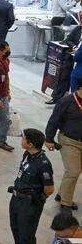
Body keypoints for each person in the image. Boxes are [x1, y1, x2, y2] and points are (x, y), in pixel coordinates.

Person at [5, 128, 54, 244]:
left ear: (30, 144)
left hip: (29, 203)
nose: (22, 140)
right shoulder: (27, 155)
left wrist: (36, 199)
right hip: (17, 197)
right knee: (16, 227)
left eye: (24, 138)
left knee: (27, 232)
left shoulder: (43, 164)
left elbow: (49, 189)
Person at [46, 83, 82, 211]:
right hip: (69, 141)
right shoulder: (66, 101)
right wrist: (49, 139)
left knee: (74, 171)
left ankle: (61, 194)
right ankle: (65, 203)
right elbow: (54, 120)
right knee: (73, 171)